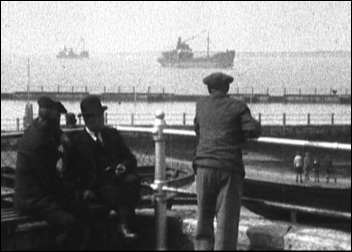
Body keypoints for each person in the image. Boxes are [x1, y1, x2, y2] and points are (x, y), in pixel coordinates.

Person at [193, 72, 261, 250]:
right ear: (227, 87)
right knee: (226, 222)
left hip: (203, 166)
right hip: (228, 167)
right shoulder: (238, 106)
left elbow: (197, 129)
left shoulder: (201, 105)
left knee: (204, 218)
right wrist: (239, 134)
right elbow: (253, 129)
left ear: (209, 88)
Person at [14, 96, 92, 251]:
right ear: (48, 122)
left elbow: (55, 131)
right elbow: (52, 183)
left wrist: (63, 136)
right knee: (71, 223)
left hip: (39, 192)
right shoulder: (39, 145)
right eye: (56, 121)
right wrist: (77, 192)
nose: (58, 125)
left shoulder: (37, 125)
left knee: (82, 210)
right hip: (33, 199)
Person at [63, 95, 141, 240]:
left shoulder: (112, 135)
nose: (101, 120)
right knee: (120, 192)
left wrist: (124, 166)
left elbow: (130, 158)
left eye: (102, 116)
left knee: (132, 181)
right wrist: (82, 192)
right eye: (97, 117)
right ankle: (124, 227)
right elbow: (68, 177)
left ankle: (124, 227)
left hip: (118, 180)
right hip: (96, 186)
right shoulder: (77, 144)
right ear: (87, 120)